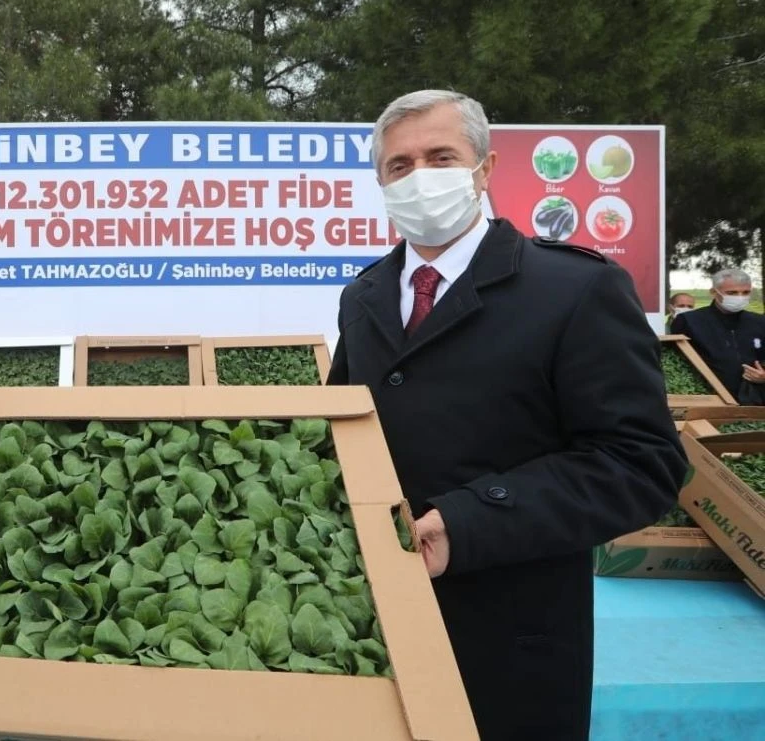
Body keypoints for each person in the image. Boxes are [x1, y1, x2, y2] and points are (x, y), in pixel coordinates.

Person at [325, 90, 685, 741]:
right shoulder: (364, 295)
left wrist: (469, 520)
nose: (420, 177)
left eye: (441, 156)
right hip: (370, 626)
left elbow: (641, 462)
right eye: (399, 166)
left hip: (512, 639)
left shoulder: (575, 290)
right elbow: (341, 438)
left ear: (485, 169)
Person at [671, 269, 765, 405]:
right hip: (708, 400)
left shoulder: (759, 322)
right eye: (732, 293)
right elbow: (676, 364)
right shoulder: (689, 321)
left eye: (745, 292)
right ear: (714, 292)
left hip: (755, 400)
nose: (740, 297)